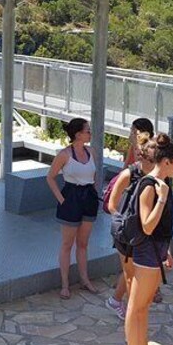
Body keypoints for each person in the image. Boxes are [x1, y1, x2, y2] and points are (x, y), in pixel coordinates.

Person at [124, 133, 173, 345]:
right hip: (146, 253)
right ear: (167, 161)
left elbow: (160, 227)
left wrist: (166, 250)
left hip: (157, 251)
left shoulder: (163, 182)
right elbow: (147, 226)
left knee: (144, 306)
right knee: (136, 307)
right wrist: (163, 198)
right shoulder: (151, 186)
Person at [46, 117, 100, 299]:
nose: (90, 133)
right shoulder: (64, 155)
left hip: (88, 197)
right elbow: (50, 177)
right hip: (71, 197)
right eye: (87, 131)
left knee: (83, 243)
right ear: (78, 134)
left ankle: (85, 280)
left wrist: (94, 194)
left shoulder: (91, 151)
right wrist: (62, 200)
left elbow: (94, 175)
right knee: (67, 243)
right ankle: (65, 284)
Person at [106, 130, 155, 320]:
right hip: (126, 234)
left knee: (136, 273)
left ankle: (120, 303)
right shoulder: (128, 174)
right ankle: (131, 314)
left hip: (146, 233)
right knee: (130, 274)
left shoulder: (159, 176)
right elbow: (111, 203)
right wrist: (123, 223)